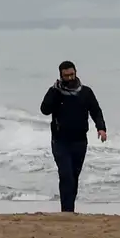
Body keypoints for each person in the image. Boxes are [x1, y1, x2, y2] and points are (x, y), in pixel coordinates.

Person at [39, 60, 107, 213]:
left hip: (79, 141)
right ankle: (67, 211)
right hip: (60, 141)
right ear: (61, 76)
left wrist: (101, 128)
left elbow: (96, 111)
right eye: (66, 76)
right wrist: (55, 92)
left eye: (72, 74)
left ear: (76, 73)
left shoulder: (86, 92)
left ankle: (69, 208)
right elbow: (44, 110)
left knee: (74, 176)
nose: (70, 78)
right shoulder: (55, 91)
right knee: (66, 175)